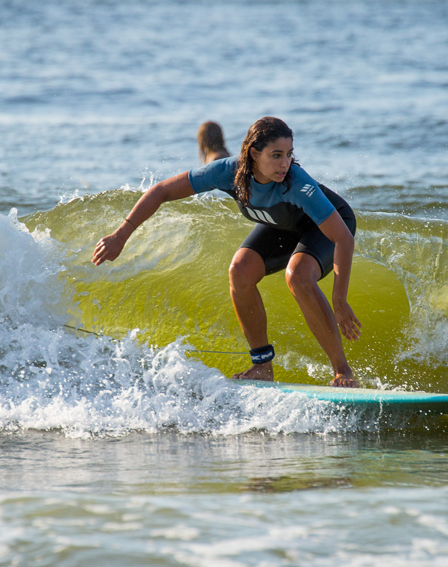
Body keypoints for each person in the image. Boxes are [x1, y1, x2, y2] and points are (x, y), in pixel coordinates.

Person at [92, 116, 362, 387]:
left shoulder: (296, 183)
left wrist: (340, 299)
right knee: (239, 271)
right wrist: (121, 234)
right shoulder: (228, 172)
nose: (285, 164)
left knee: (298, 276)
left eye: (289, 154)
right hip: (282, 224)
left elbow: (342, 238)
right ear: (254, 154)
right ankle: (262, 366)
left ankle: (342, 370)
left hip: (327, 225)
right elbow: (162, 191)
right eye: (276, 155)